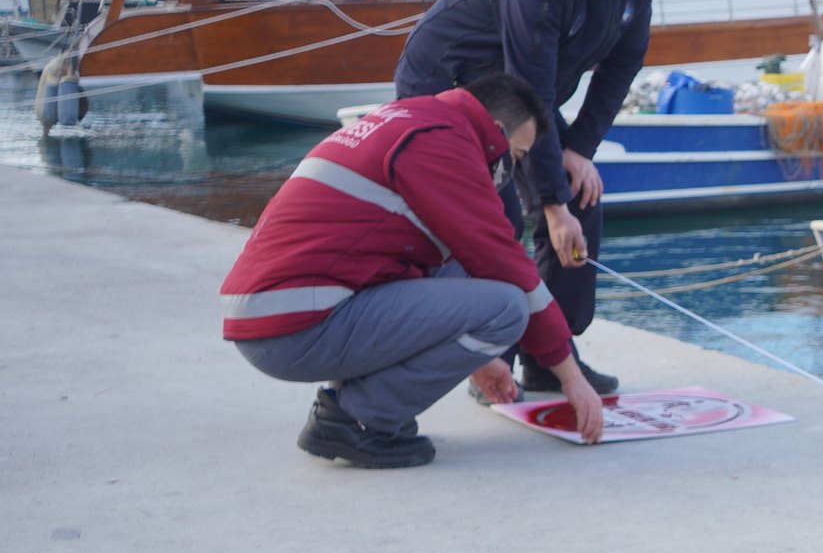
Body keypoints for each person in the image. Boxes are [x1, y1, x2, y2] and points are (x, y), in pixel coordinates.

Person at [221, 71, 606, 466]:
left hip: (278, 312)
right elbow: (506, 263)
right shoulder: (443, 144)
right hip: (289, 331)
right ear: (494, 130)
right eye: (516, 156)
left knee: (461, 272)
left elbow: (415, 261)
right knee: (507, 305)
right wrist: (570, 377)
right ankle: (357, 420)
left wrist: (477, 357)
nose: (511, 169)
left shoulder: (413, 119)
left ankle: (352, 406)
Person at [392, 0, 681, 394]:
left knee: (581, 198)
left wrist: (577, 154)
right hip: (446, 85)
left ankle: (550, 355)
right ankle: (489, 362)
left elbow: (620, 68)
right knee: (496, 218)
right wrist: (549, 202)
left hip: (519, 94)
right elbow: (531, 84)